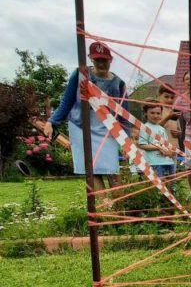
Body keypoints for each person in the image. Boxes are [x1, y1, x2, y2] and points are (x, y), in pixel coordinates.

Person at [44, 41, 129, 202]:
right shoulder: (80, 75)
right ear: (91, 59)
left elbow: (125, 115)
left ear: (110, 60)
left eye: (104, 60)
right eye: (98, 60)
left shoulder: (119, 84)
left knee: (112, 169)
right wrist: (52, 121)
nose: (101, 63)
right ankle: (106, 208)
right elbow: (67, 101)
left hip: (107, 129)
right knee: (92, 170)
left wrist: (126, 141)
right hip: (80, 126)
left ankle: (121, 210)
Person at [137, 103, 176, 185]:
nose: (155, 116)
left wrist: (170, 151)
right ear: (145, 113)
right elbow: (142, 145)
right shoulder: (145, 128)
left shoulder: (162, 129)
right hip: (154, 162)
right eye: (152, 113)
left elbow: (166, 144)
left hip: (167, 161)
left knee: (172, 184)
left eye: (158, 113)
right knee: (158, 185)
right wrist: (158, 147)